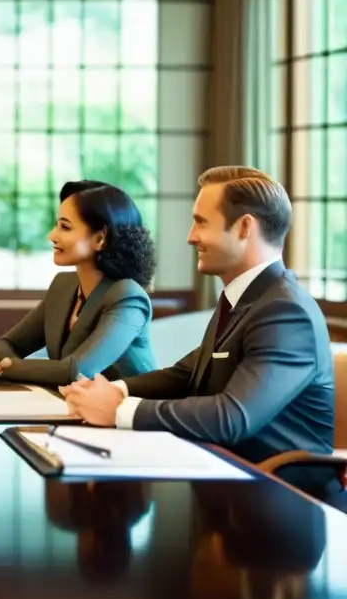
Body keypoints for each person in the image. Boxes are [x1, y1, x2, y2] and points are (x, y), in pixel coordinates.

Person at [63, 166, 337, 502]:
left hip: (281, 504)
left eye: (201, 222)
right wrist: (106, 391)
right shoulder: (240, 298)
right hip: (224, 482)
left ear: (244, 228)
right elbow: (185, 375)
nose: (191, 236)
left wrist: (118, 410)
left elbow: (231, 417)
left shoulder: (286, 312)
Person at [0, 180, 157, 386]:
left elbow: (76, 371)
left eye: (65, 227)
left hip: (131, 413)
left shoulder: (129, 298)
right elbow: (12, 344)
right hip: (74, 409)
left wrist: (3, 368)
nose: (52, 235)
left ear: (100, 239)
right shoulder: (63, 286)